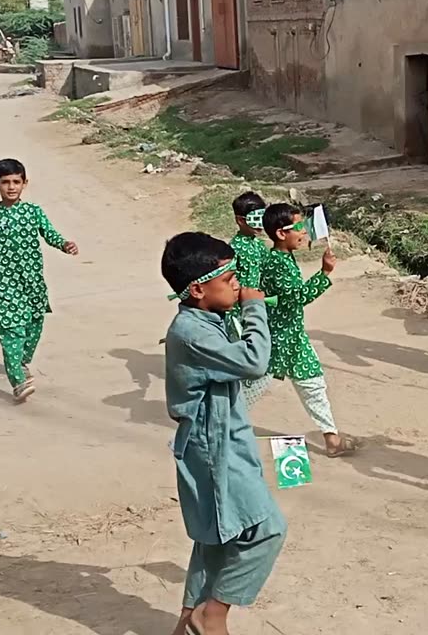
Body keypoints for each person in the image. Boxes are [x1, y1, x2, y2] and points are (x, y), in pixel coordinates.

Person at [160, 232, 285, 635]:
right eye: (228, 277)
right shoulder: (191, 332)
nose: (236, 283)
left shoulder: (203, 320)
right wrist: (255, 309)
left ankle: (186, 625)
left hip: (222, 437)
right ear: (197, 289)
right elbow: (253, 360)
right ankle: (212, 613)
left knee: (216, 540)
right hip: (214, 445)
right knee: (266, 529)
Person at [0, 158, 78, 403]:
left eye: (16, 181)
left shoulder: (33, 212)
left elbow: (50, 234)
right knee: (12, 331)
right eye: (5, 182)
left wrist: (65, 245)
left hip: (33, 283)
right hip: (3, 284)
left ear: (25, 183)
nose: (11, 187)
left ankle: (21, 362)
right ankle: (17, 381)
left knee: (33, 326)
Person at [260, 203, 359, 458]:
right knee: (251, 386)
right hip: (277, 337)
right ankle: (219, 427)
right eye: (300, 228)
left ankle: (331, 438)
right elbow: (297, 298)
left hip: (292, 336)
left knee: (313, 382)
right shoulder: (277, 264)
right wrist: (325, 273)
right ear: (281, 234)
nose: (305, 233)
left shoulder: (283, 258)